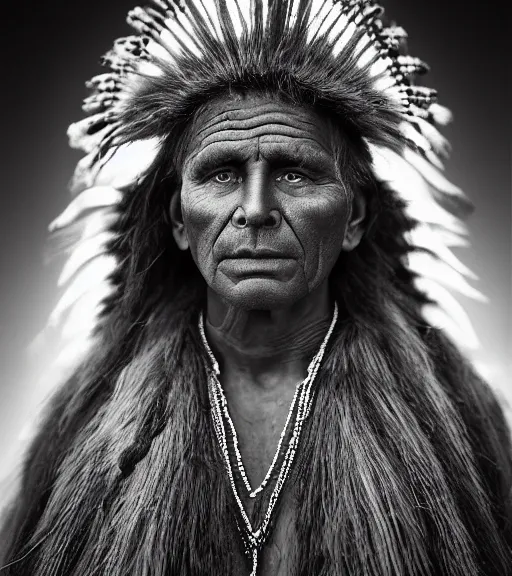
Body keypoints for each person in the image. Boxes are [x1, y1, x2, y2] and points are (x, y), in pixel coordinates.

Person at [0, 1, 510, 574]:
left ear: (356, 218)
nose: (256, 210)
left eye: (295, 171)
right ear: (177, 220)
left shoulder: (453, 414)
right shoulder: (87, 418)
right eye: (222, 174)